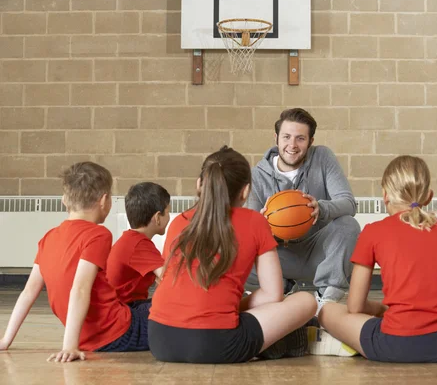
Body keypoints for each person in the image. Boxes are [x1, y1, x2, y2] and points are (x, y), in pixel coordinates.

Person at [148, 146, 317, 364]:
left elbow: (167, 280)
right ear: (245, 191)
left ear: (200, 184)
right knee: (306, 300)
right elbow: (273, 295)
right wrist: (232, 308)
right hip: (217, 344)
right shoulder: (256, 222)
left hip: (160, 340)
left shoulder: (179, 222)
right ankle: (273, 343)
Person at [312, 155, 437, 362]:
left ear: (385, 195)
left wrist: (380, 309)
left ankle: (342, 342)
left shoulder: (373, 232)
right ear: (429, 196)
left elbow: (355, 307)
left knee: (328, 310)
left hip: (399, 345)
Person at [0, 162, 148, 362]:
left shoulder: (48, 237)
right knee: (166, 307)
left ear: (64, 200)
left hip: (90, 336)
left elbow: (28, 292)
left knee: (140, 305)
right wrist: (69, 346)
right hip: (118, 334)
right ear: (104, 200)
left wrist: (6, 339)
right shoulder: (98, 235)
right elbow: (79, 289)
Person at [247, 108, 360, 309]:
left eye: (300, 138)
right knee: (240, 243)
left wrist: (321, 208)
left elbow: (348, 203)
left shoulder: (323, 157)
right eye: (287, 137)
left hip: (317, 253)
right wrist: (261, 225)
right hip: (278, 257)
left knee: (348, 225)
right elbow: (251, 235)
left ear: (310, 141)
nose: (292, 145)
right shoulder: (257, 175)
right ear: (276, 138)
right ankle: (278, 288)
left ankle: (327, 299)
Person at [107, 182, 171, 307]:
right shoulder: (139, 244)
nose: (168, 217)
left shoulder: (131, 239)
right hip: (124, 310)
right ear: (157, 217)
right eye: (168, 212)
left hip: (124, 306)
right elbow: (168, 278)